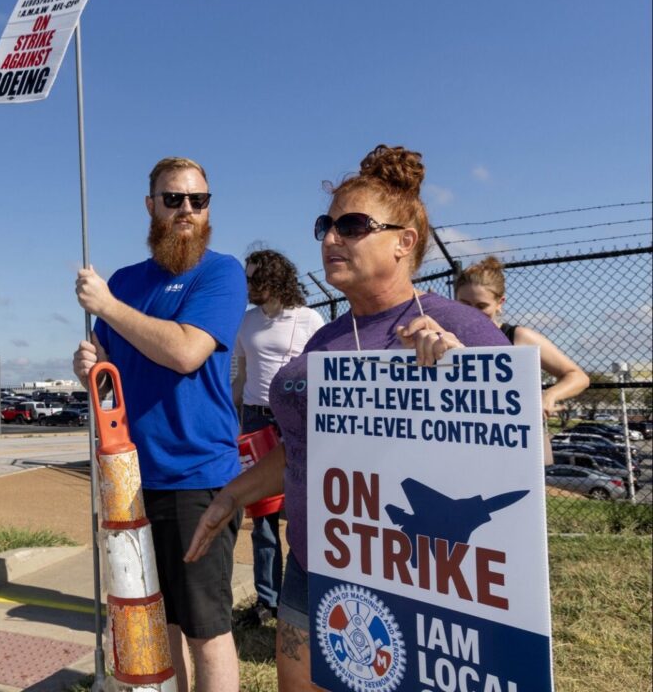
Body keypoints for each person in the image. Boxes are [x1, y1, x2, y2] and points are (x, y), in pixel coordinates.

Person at [184, 145, 510, 691]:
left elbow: (513, 455)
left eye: (352, 225)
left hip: (411, 578)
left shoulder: (458, 328)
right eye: (326, 225)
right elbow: (308, 446)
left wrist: (458, 374)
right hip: (315, 563)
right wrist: (232, 495)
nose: (331, 238)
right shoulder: (327, 338)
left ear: (404, 242)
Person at [74, 156, 246, 692]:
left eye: (199, 199)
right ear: (152, 207)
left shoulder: (221, 272)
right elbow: (110, 377)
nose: (187, 210)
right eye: (174, 200)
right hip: (131, 480)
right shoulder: (127, 280)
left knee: (206, 629)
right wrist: (89, 368)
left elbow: (186, 352)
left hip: (197, 478)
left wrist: (108, 305)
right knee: (156, 617)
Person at [230, 249, 324, 628]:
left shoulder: (309, 319)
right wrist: (232, 421)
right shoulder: (246, 322)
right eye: (246, 279)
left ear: (276, 278)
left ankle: (305, 598)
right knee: (262, 517)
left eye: (254, 278)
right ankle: (267, 601)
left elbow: (321, 373)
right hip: (254, 418)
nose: (248, 286)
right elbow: (240, 376)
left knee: (303, 510)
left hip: (296, 421)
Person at [455, 256, 590, 431]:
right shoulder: (446, 336)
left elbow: (578, 376)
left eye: (481, 306)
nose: (472, 313)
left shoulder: (518, 337)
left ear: (499, 303)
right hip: (468, 434)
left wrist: (549, 395)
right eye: (465, 304)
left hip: (519, 435)